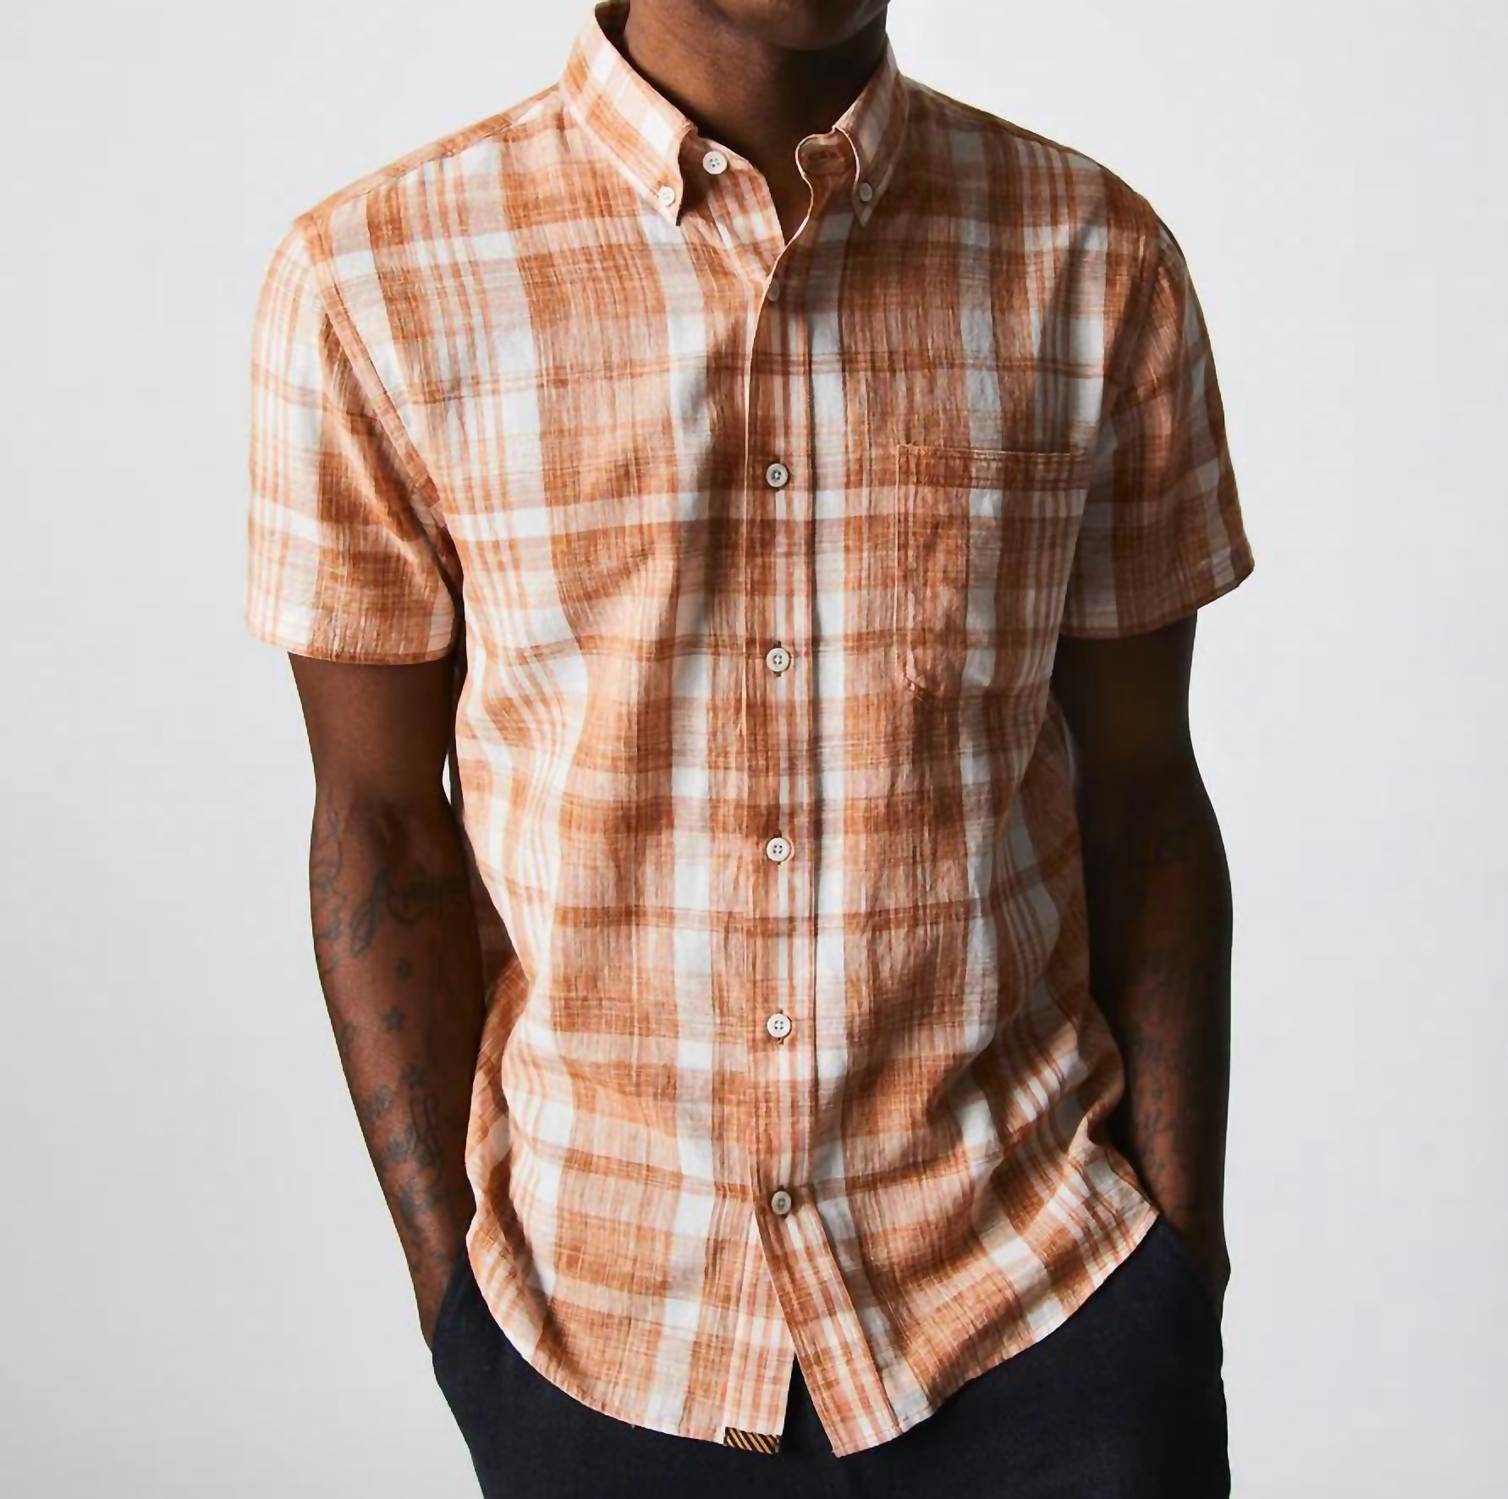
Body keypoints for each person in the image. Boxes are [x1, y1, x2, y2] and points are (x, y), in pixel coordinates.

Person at [242, 0, 1255, 1492]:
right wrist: (457, 1306)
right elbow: (378, 820)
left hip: (1048, 1315)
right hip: (599, 1344)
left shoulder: (1094, 261)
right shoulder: (373, 281)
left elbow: (1146, 793)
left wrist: (1179, 1278)